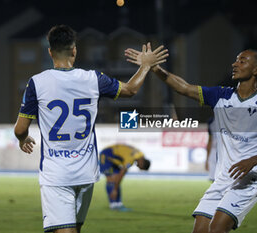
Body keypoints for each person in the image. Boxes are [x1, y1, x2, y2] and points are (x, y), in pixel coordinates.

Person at [13, 25, 167, 233]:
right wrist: (145, 66)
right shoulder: (94, 79)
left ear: (50, 51)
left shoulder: (37, 83)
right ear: (74, 50)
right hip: (86, 173)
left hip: (56, 174)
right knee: (73, 228)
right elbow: (131, 90)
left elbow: (21, 129)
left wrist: (23, 139)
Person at [125, 47, 257, 233]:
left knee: (217, 229)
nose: (235, 64)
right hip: (221, 180)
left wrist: (252, 161)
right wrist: (153, 66)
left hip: (248, 181)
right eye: (236, 60)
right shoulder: (220, 95)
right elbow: (183, 88)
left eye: (242, 61)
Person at [99, 144, 150, 211]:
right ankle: (113, 205)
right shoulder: (130, 159)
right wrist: (114, 189)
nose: (137, 167)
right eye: (140, 167)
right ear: (142, 163)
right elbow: (121, 174)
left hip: (114, 157)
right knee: (111, 179)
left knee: (116, 180)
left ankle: (118, 204)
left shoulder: (141, 154)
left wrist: (116, 187)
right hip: (106, 156)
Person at [205, 117, 218, 182]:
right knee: (213, 177)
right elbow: (210, 140)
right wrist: (207, 159)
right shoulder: (211, 122)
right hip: (214, 150)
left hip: (223, 151)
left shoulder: (228, 119)